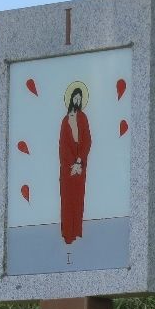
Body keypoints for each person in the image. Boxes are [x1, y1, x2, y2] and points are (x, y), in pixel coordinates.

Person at [58, 81, 92, 244]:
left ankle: (76, 230)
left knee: (77, 199)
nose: (77, 101)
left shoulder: (83, 118)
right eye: (75, 98)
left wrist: (78, 162)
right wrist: (70, 164)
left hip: (79, 166)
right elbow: (63, 145)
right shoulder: (65, 121)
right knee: (67, 200)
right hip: (67, 168)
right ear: (71, 98)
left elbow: (87, 141)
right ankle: (67, 234)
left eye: (80, 98)